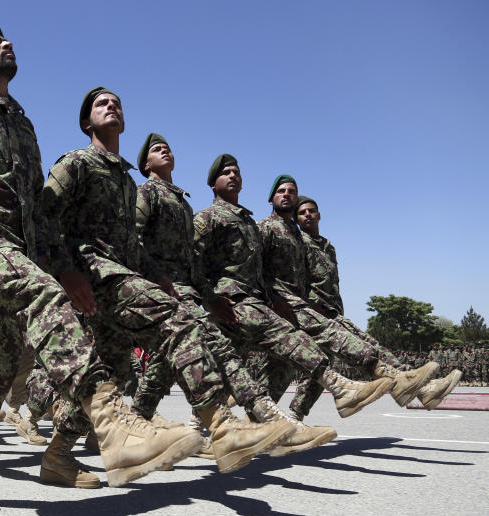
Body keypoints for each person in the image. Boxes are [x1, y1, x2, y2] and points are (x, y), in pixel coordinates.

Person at [0, 23, 198, 511]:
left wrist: (62, 266)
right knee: (42, 297)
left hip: (24, 247)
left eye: (7, 40)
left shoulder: (21, 121)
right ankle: (109, 418)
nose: (7, 43)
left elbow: (39, 211)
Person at [134, 135, 334, 458]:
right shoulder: (153, 195)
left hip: (192, 292)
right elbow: (137, 239)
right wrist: (196, 292)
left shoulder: (183, 204)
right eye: (157, 150)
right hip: (164, 290)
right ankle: (261, 417)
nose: (166, 151)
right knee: (207, 350)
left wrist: (200, 290)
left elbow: (193, 260)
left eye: (237, 171)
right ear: (146, 164)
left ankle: (175, 425)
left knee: (172, 361)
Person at [191, 155, 393, 425]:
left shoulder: (251, 224)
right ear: (212, 184)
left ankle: (246, 425)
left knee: (233, 366)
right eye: (226, 172)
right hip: (234, 302)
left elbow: (260, 270)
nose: (233, 176)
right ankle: (350, 385)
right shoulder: (211, 217)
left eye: (237, 172)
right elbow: (192, 260)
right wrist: (209, 298)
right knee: (287, 343)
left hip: (255, 302)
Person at [290, 197, 461, 414]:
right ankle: (423, 387)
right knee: (369, 349)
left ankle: (294, 416)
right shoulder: (298, 244)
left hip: (333, 312)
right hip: (316, 314)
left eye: (311, 211)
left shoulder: (327, 246)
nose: (307, 215)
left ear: (319, 215)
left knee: (319, 371)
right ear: (296, 219)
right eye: (302, 212)